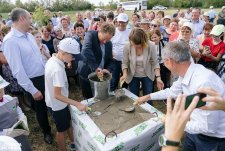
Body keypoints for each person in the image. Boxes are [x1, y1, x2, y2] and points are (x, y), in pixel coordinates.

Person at [135, 41, 225, 151]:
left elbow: (208, 128)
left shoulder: (202, 82)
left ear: (169, 61)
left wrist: (175, 124)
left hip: (211, 139)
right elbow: (171, 92)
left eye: (164, 63)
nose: (164, 65)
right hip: (194, 128)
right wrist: (148, 97)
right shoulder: (188, 72)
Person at [2, 8, 53, 144]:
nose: (31, 21)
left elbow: (37, 57)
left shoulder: (29, 35)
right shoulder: (10, 41)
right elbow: (17, 70)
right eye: (29, 18)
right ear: (22, 19)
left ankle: (55, 120)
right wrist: (32, 90)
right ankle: (46, 132)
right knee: (40, 108)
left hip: (43, 75)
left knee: (50, 100)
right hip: (32, 81)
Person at [45, 38, 87, 151]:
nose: (73, 59)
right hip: (57, 105)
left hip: (58, 102)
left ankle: (73, 143)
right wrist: (76, 103)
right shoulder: (57, 69)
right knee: (61, 130)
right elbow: (57, 95)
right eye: (72, 56)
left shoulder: (53, 60)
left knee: (67, 123)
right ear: (64, 53)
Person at [162, 87, 225, 151]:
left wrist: (171, 137)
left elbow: (209, 128)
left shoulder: (205, 82)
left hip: (211, 139)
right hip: (193, 133)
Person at [121, 28, 164, 105]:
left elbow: (155, 62)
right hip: (133, 76)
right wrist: (124, 74)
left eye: (138, 45)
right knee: (133, 97)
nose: (136, 46)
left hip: (148, 75)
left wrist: (158, 78)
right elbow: (125, 62)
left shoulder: (151, 45)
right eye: (134, 44)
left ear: (143, 41)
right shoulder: (127, 46)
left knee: (148, 98)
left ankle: (149, 113)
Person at [77, 23, 115, 99]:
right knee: (89, 97)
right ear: (100, 31)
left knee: (100, 97)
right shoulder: (90, 34)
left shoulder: (109, 44)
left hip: (100, 75)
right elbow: (86, 50)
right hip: (86, 72)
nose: (105, 42)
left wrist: (108, 69)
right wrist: (96, 67)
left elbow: (111, 60)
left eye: (108, 40)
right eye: (104, 38)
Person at [0, 75, 32, 151]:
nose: (1, 92)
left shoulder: (9, 98)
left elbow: (18, 110)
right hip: (4, 140)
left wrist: (22, 119)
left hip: (18, 130)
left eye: (1, 89)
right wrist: (6, 133)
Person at [110, 13, 131, 91]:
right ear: (117, 21)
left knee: (125, 79)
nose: (121, 24)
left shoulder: (130, 32)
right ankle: (112, 94)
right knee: (114, 79)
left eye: (123, 22)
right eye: (120, 21)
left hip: (126, 61)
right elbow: (108, 45)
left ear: (127, 22)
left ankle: (124, 94)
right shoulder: (113, 31)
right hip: (115, 60)